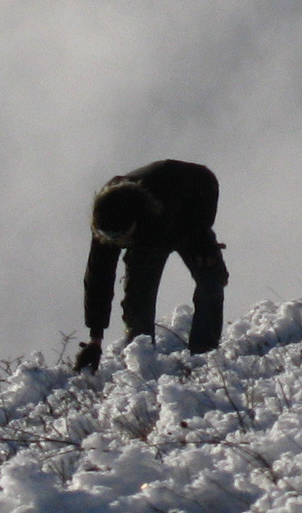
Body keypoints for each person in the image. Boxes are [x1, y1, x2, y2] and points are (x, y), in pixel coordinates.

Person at [75, 159, 228, 372]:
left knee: (211, 280)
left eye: (121, 236)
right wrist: (95, 337)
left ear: (135, 221)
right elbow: (99, 276)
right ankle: (142, 362)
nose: (116, 242)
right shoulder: (105, 221)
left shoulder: (165, 186)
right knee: (137, 300)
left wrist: (201, 232)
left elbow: (206, 181)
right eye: (111, 237)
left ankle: (204, 357)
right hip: (147, 242)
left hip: (186, 220)